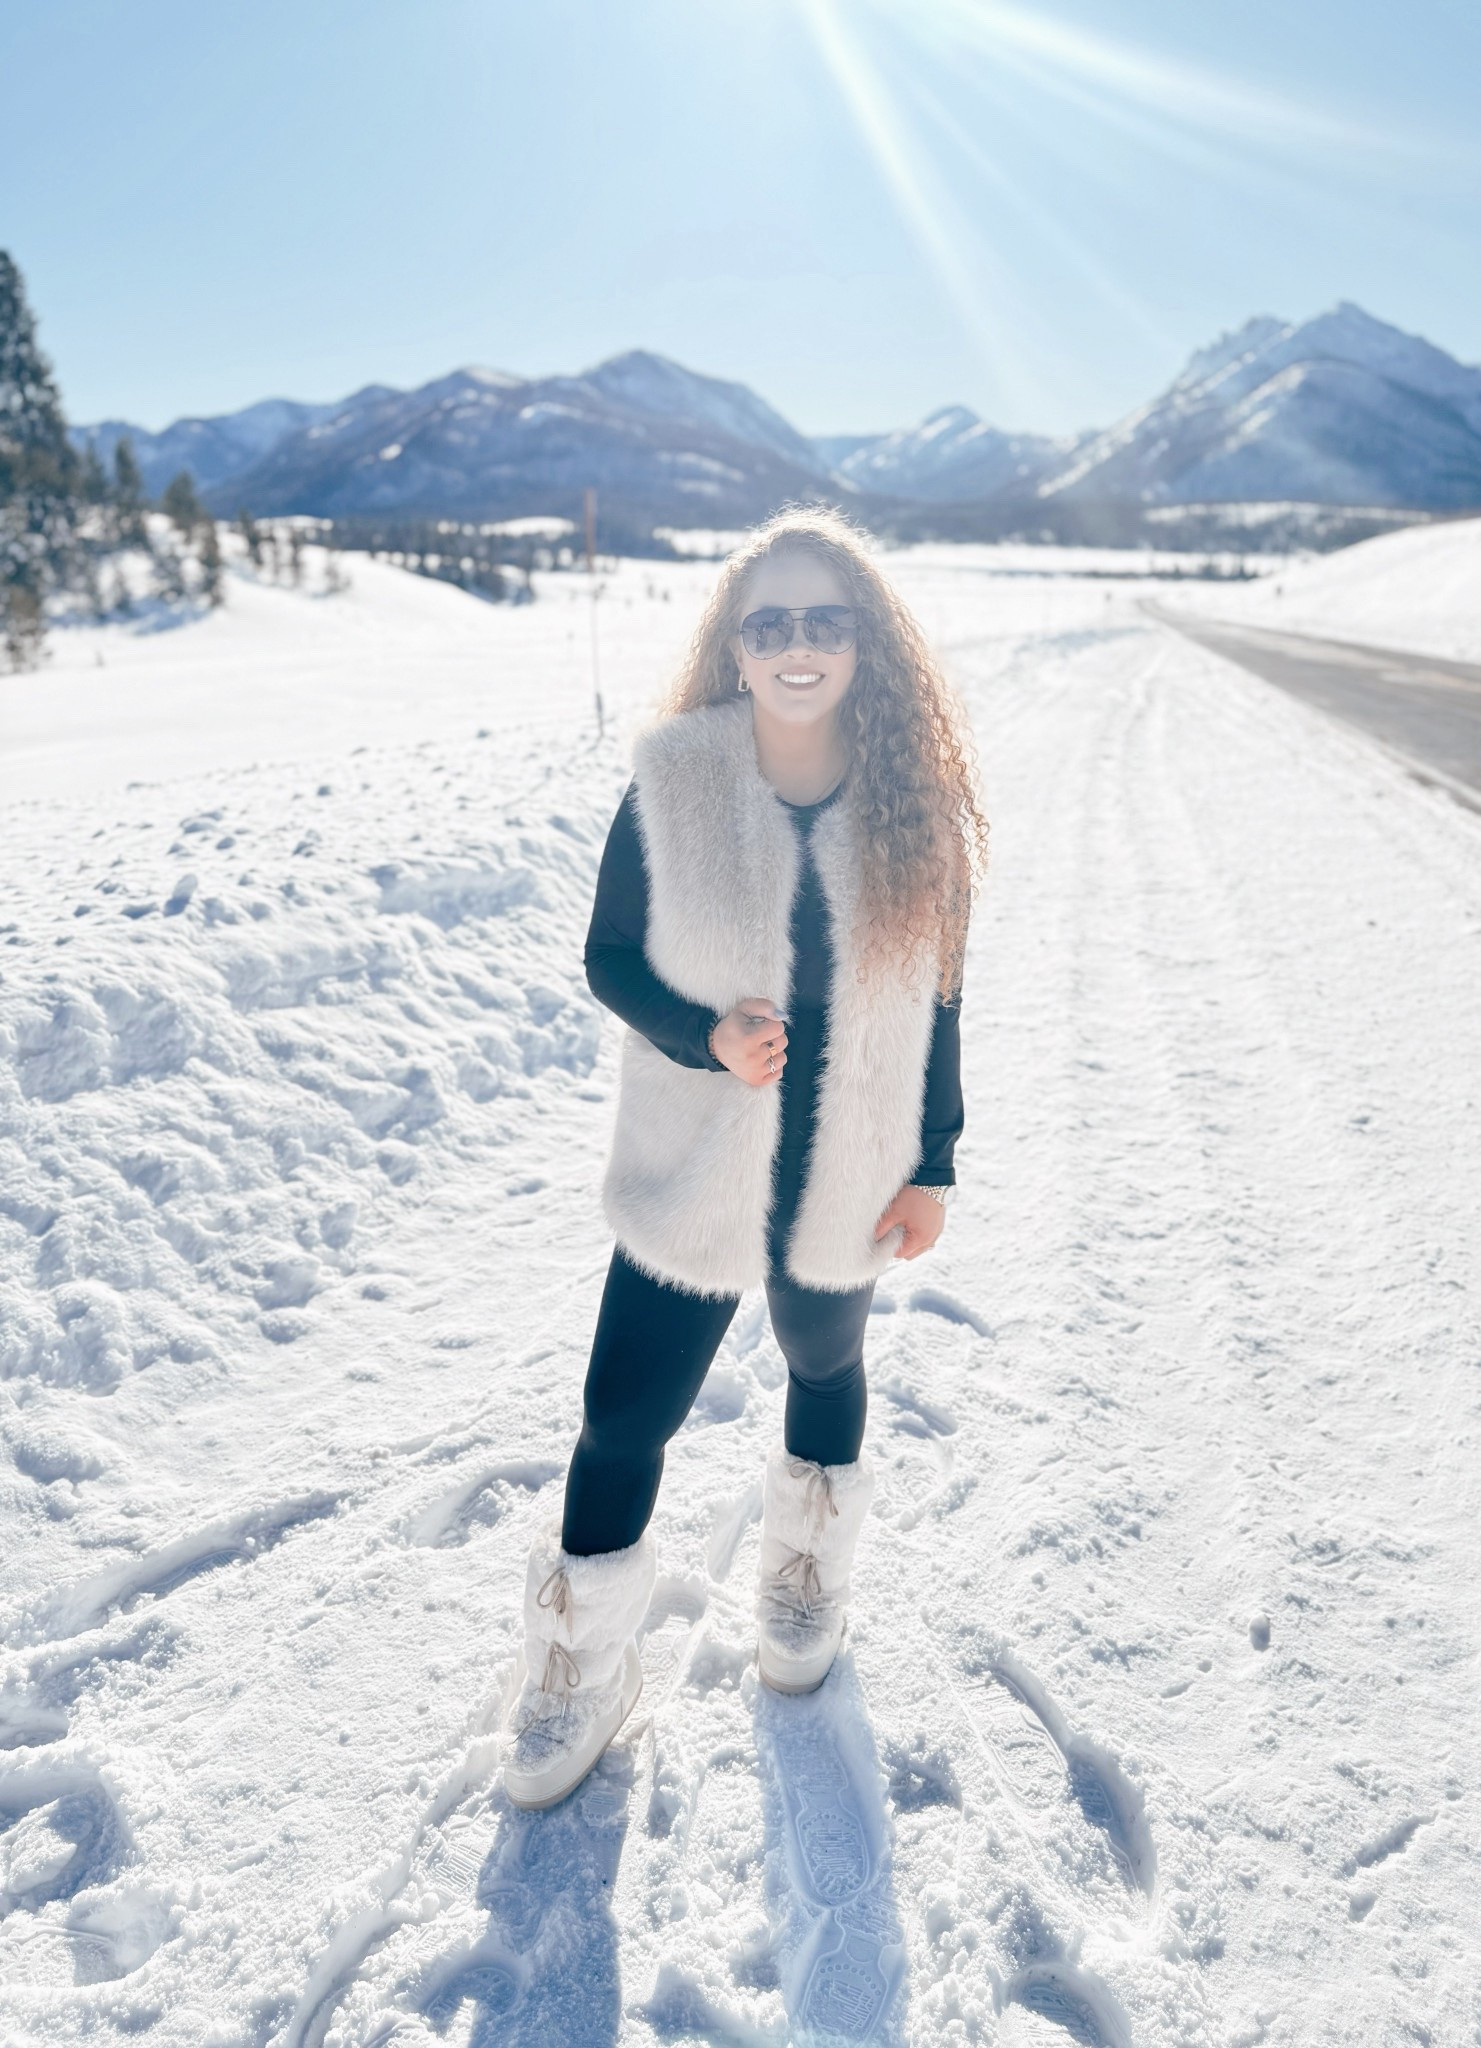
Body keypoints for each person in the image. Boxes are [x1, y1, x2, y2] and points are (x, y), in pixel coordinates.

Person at [501, 505, 988, 1810]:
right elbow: (608, 958)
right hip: (703, 1148)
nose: (795, 645)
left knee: (826, 1365)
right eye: (767, 621)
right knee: (623, 1413)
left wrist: (930, 1158)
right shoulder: (675, 779)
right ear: (735, 640)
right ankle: (581, 1659)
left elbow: (939, 998)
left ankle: (806, 1569)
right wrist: (704, 1035)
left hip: (847, 1151)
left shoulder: (911, 802)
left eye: (824, 619)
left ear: (865, 639)